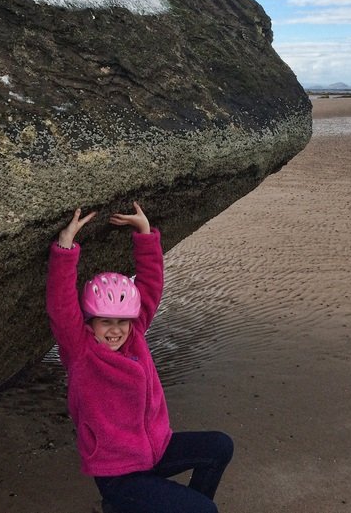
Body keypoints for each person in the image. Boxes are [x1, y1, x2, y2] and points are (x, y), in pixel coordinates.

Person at [47, 203, 233, 513]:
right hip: (118, 473)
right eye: (106, 321)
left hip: (155, 450)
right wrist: (65, 246)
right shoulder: (80, 351)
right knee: (203, 510)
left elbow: (149, 287)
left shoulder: (135, 335)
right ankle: (119, 504)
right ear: (89, 321)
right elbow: (60, 305)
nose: (115, 330)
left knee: (219, 447)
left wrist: (145, 234)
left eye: (123, 321)